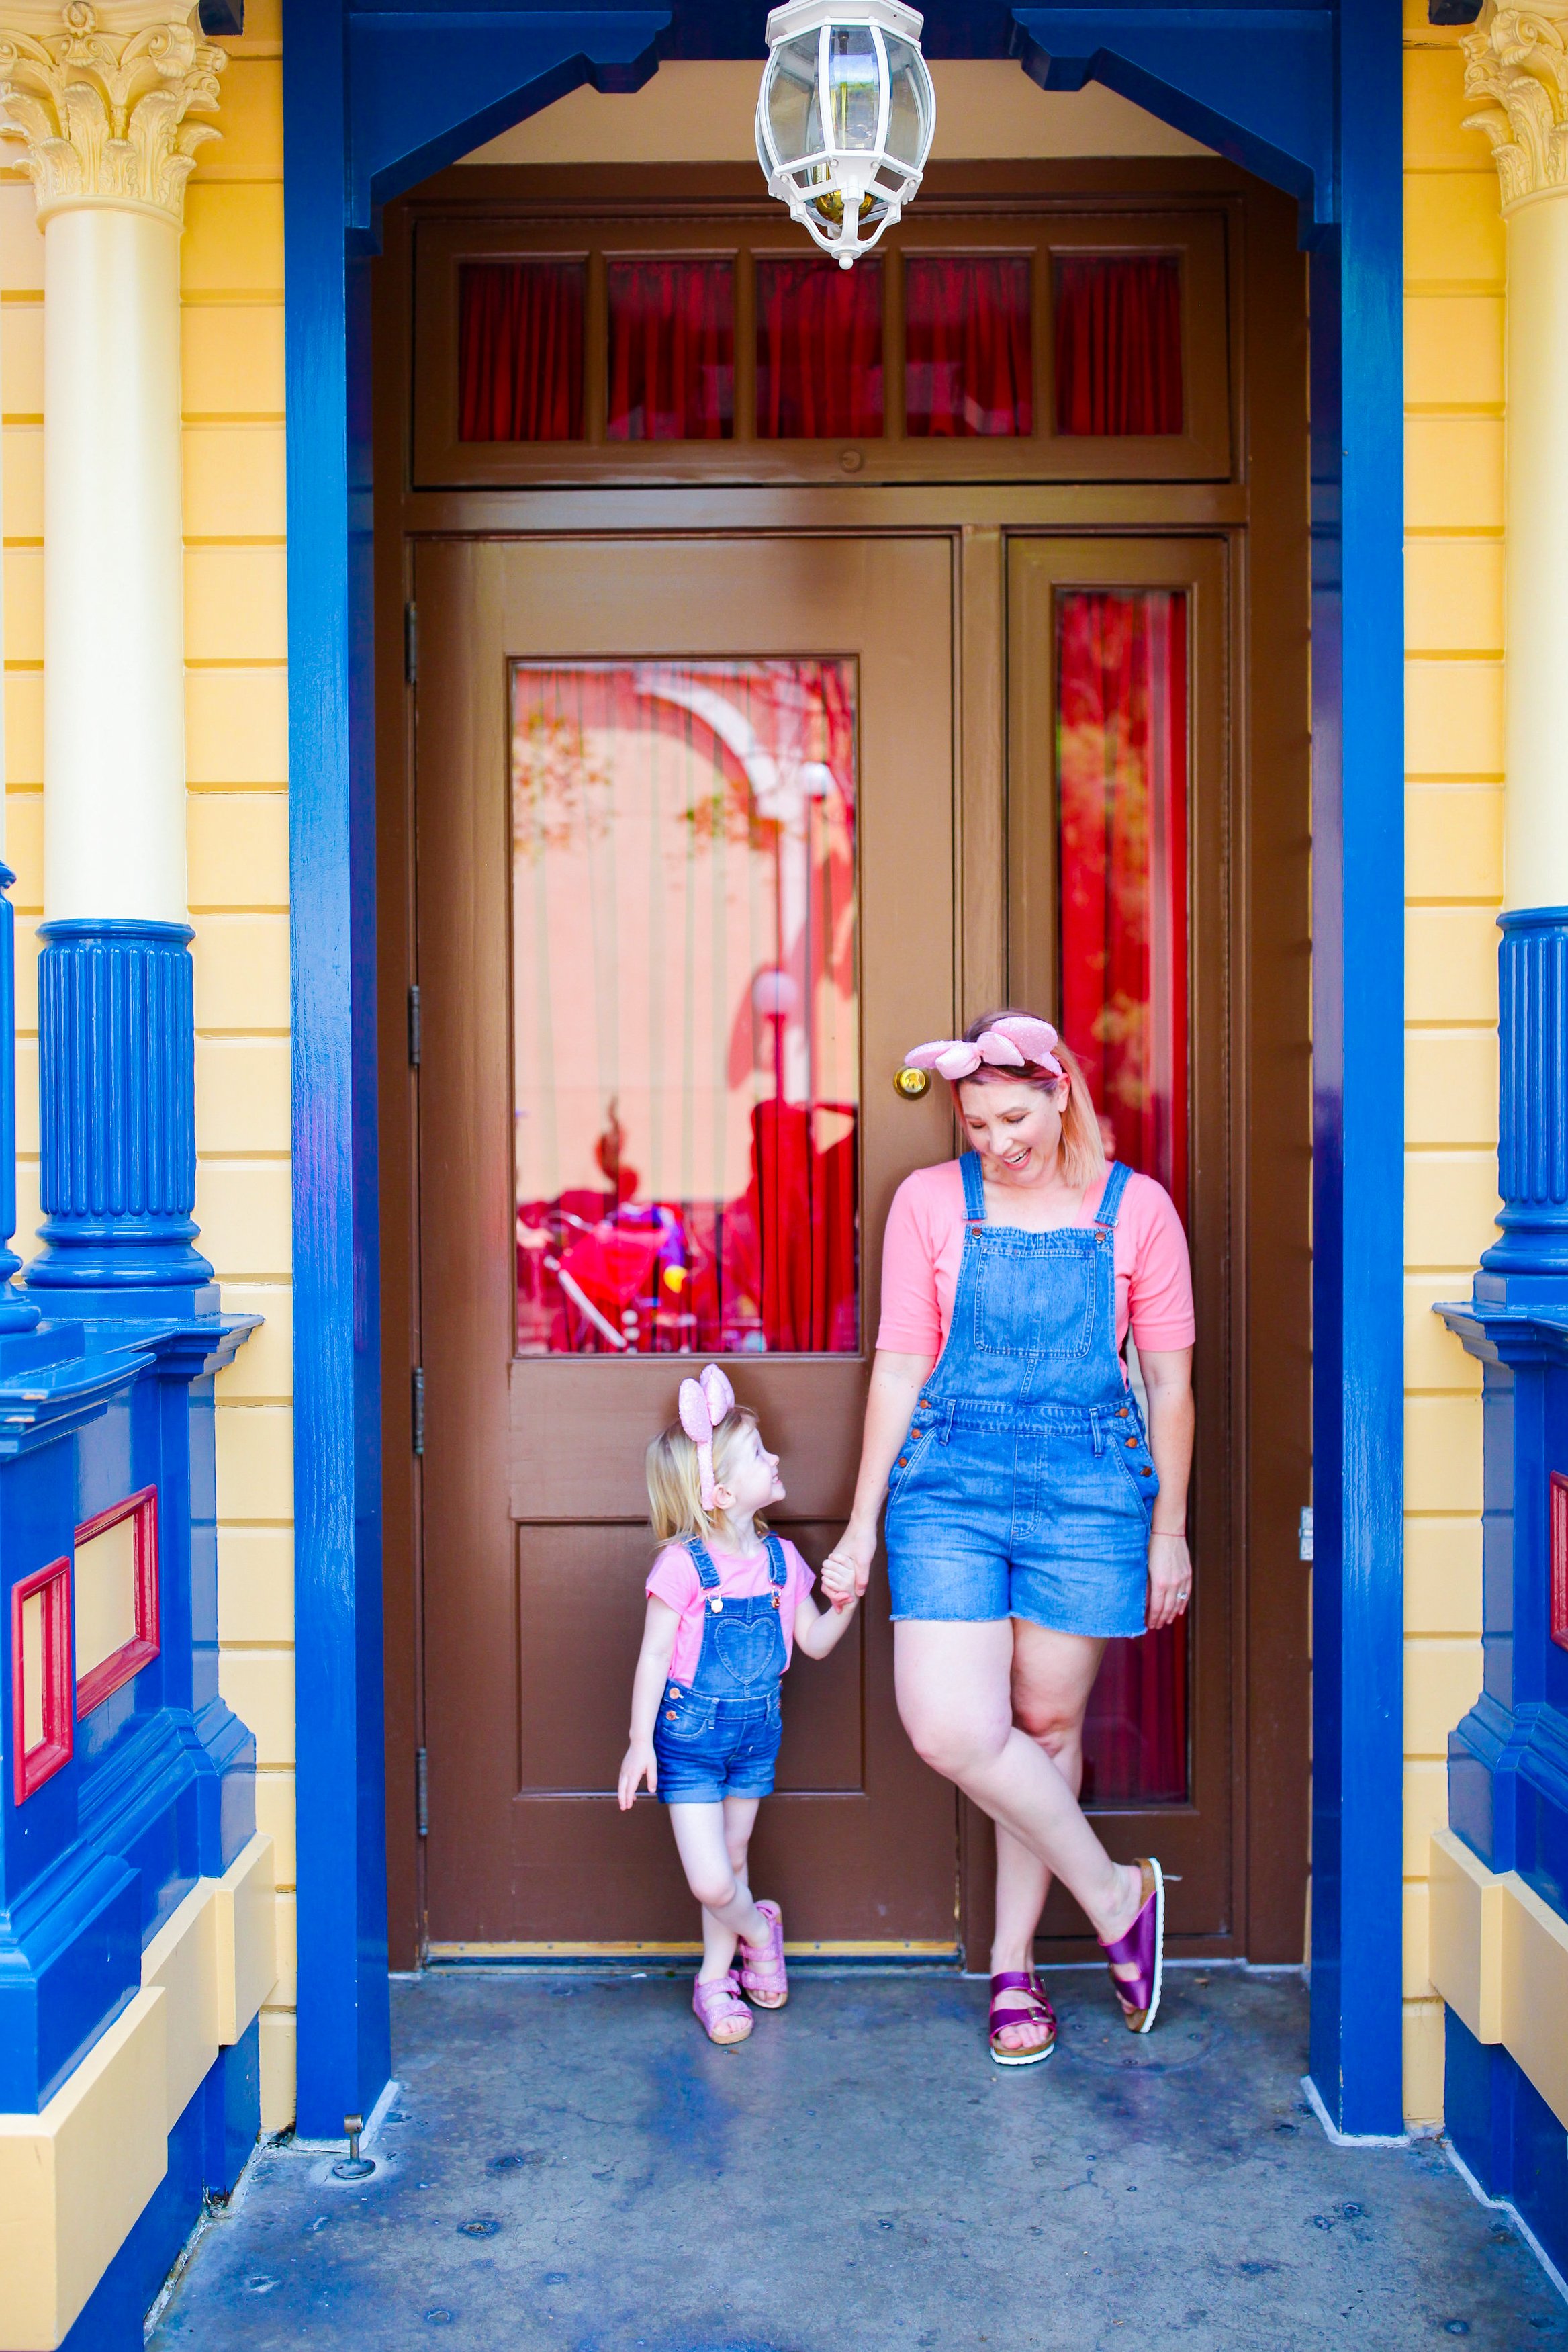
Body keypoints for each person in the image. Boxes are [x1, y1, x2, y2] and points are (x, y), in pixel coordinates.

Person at [825, 1011, 1195, 2065]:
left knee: (1038, 1729)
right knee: (950, 1727)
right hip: (947, 1484)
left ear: (1061, 1091)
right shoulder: (930, 1203)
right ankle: (1116, 1892)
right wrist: (860, 1523)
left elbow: (1168, 1384)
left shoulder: (1138, 1212)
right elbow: (898, 1365)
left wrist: (1165, 1531)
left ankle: (1011, 1965)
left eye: (1013, 1113)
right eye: (976, 1121)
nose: (996, 1139)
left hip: (1088, 1492)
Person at [618, 1363, 859, 2046]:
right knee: (711, 1880)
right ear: (720, 1492)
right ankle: (760, 1930)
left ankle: (714, 1979)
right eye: (758, 1453)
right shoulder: (681, 1566)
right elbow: (654, 1658)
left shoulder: (782, 1560)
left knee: (734, 1856)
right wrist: (639, 1742)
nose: (774, 1456)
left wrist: (844, 1600)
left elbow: (810, 1640)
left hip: (755, 1736)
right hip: (689, 1744)